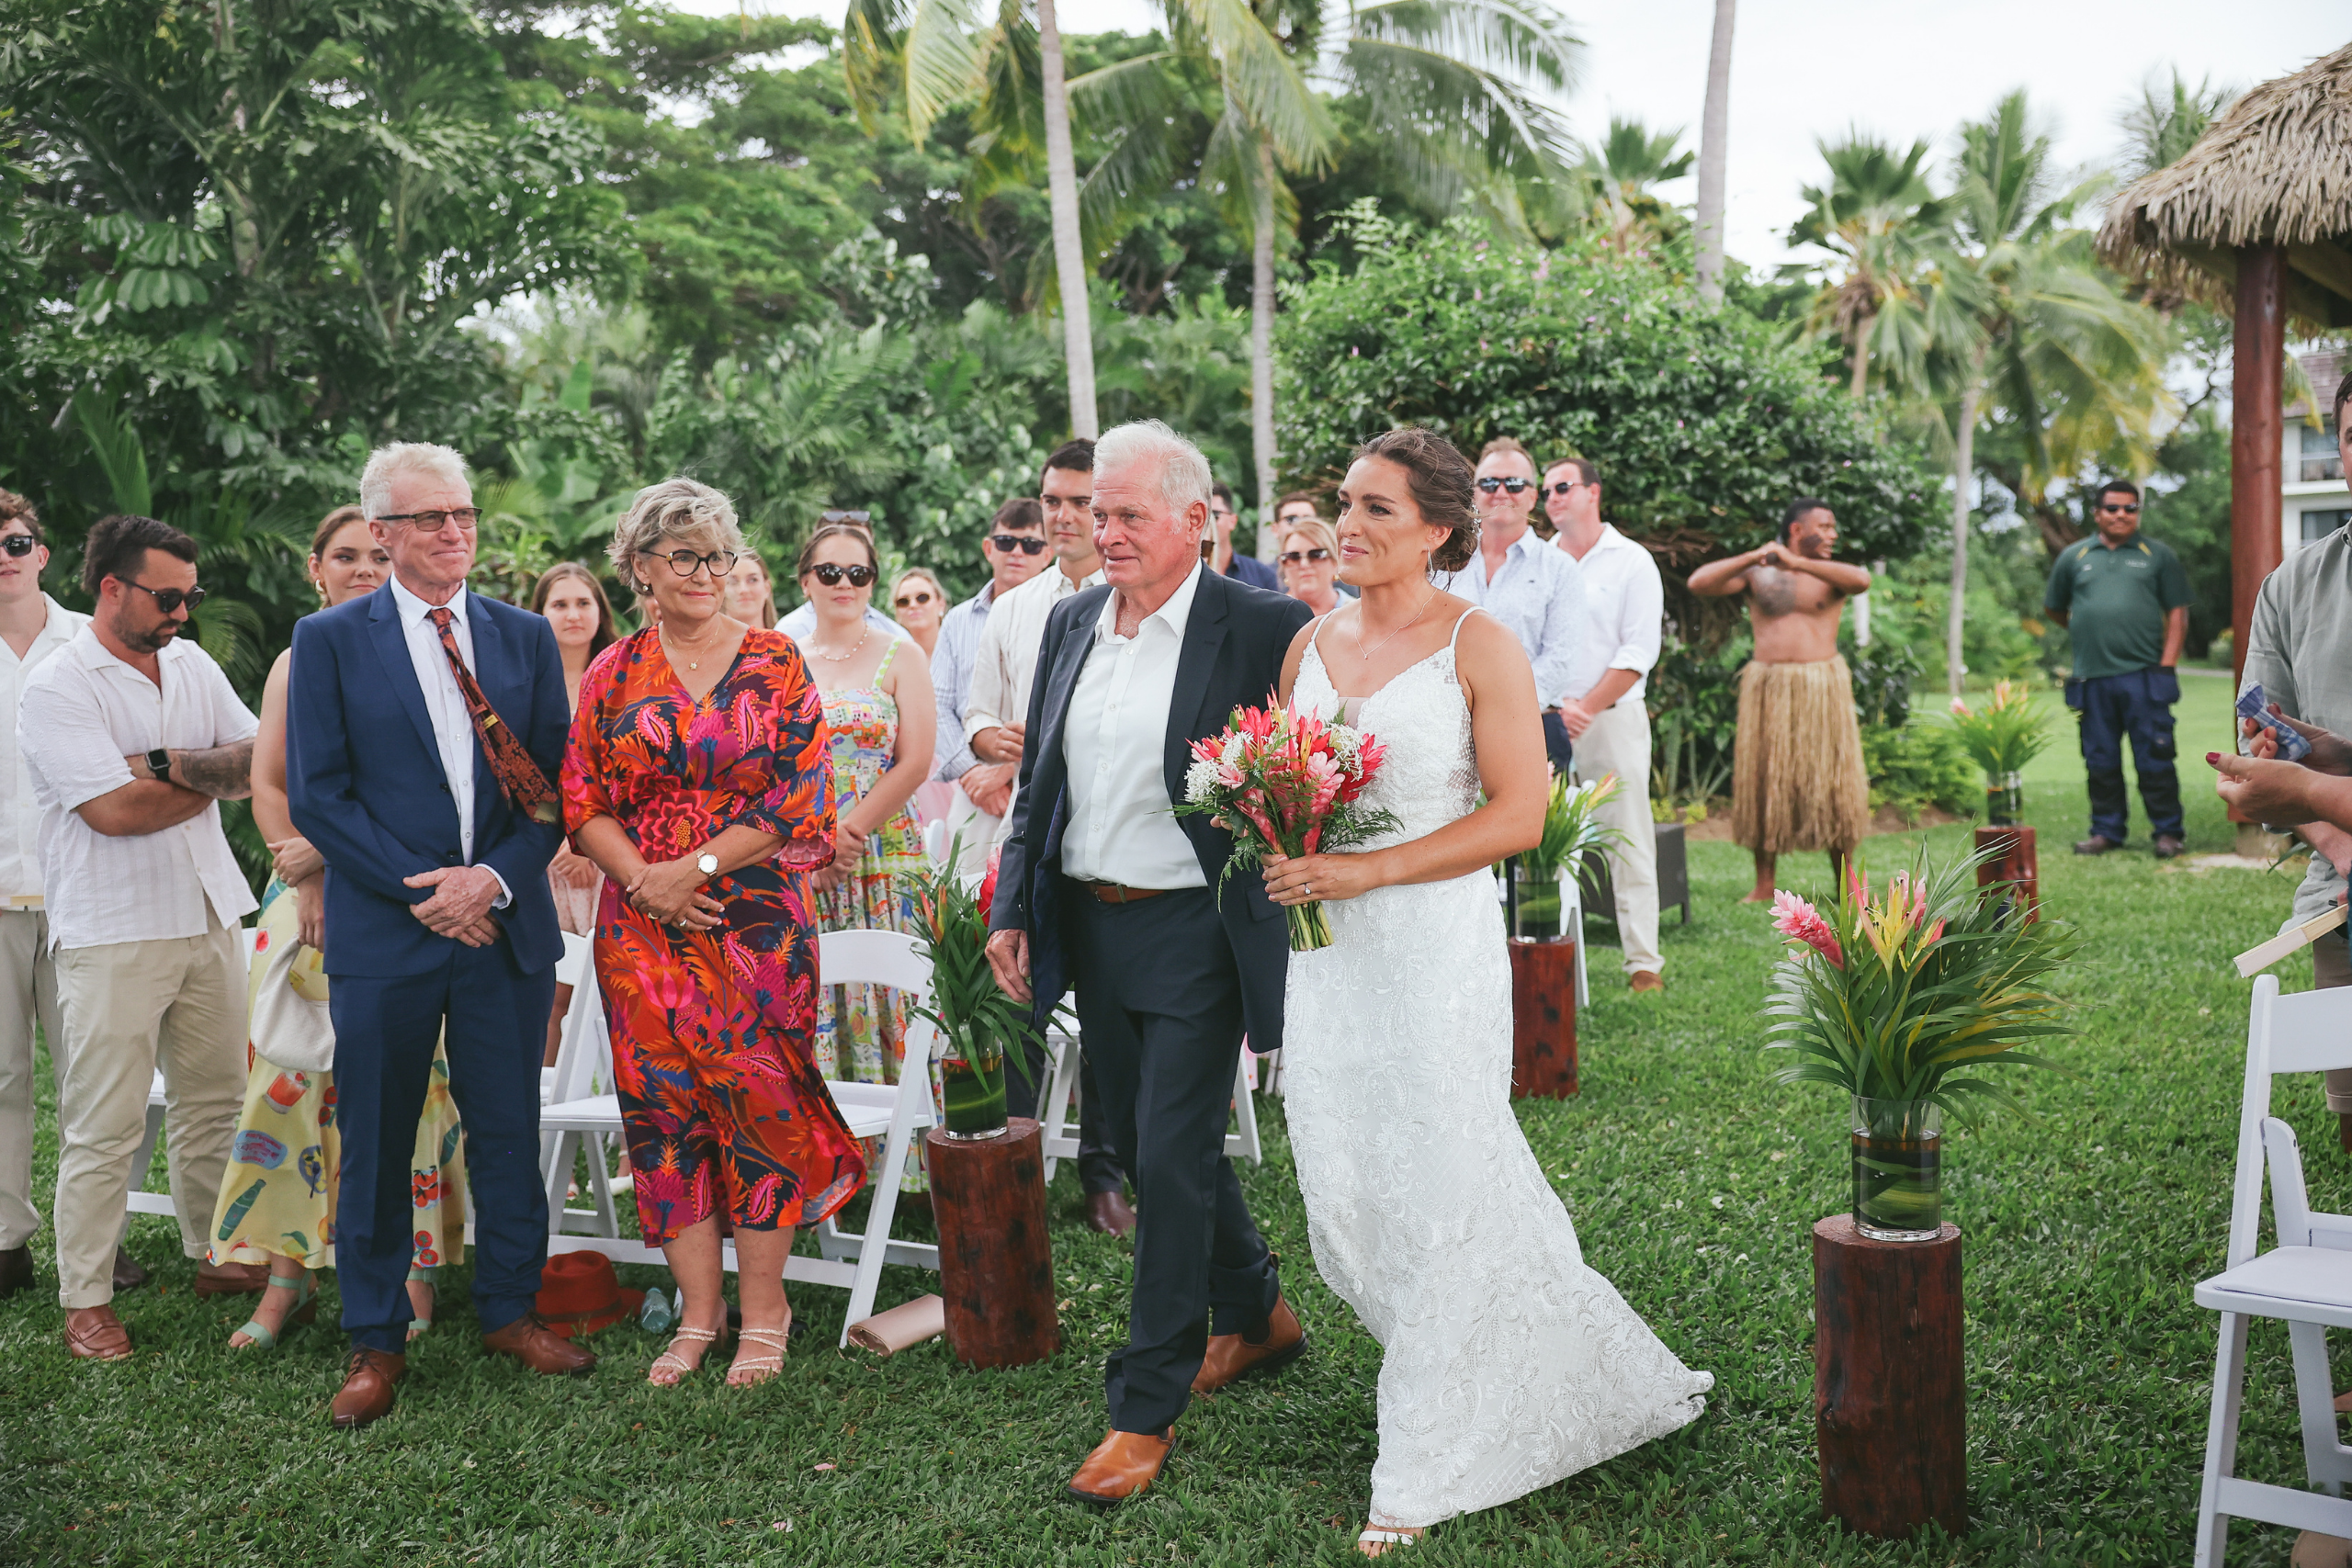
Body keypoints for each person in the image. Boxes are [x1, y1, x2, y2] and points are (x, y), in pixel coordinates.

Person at [1261, 426, 1711, 1554]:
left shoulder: (1481, 643)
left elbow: (1516, 814)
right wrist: (1277, 838)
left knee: (1444, 1167)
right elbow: (1288, 781)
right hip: (1328, 957)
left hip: (1431, 950)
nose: (1347, 528)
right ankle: (1516, 1355)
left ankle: (1422, 1455)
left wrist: (1367, 868)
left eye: (1376, 511)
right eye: (1344, 506)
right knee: (1348, 1180)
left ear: (1440, 531)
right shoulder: (1306, 644)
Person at [986, 420, 1311, 1506]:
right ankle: (1258, 1311)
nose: (1099, 532)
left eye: (1124, 514)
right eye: (1090, 512)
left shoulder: (1264, 626)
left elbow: (1312, 776)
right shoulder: (1074, 617)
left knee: (1167, 1159)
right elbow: (1040, 785)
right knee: (1141, 1138)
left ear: (1194, 520)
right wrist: (1013, 904)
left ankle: (1141, 1408)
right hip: (1090, 919)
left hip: (1201, 929)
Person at [287, 442, 589, 1429]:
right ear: (381, 532)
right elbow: (318, 797)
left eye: (461, 515)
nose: (453, 532)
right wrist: (423, 891)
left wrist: (491, 881)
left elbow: (552, 786)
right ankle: (374, 1336)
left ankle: (510, 1309)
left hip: (502, 928)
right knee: (373, 1139)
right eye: (428, 519)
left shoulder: (522, 636)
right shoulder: (329, 641)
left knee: (508, 1130)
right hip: (390, 930)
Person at [563, 479, 864, 1388]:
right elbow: (581, 800)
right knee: (662, 1115)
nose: (708, 573)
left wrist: (687, 874)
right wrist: (642, 884)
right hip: (638, 933)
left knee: (760, 1105)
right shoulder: (612, 671)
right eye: (686, 556)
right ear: (641, 569)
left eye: (719, 556)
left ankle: (765, 1311)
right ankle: (700, 1314)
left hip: (753, 922)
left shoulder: (774, 661)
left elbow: (797, 795)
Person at [208, 506, 469, 1350]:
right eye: (344, 555)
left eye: (374, 550)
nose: (363, 566)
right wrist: (314, 873)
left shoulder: (440, 641)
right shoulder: (301, 656)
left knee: (414, 1090)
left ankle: (413, 1269)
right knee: (292, 1088)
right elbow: (271, 784)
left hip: (411, 900)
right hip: (315, 898)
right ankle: (287, 1277)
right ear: (314, 569)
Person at [19, 513, 265, 1359]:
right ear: (111, 587)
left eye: (190, 597)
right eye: (167, 597)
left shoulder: (190, 662)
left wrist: (160, 761)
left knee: (216, 1104)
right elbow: (113, 815)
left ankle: (217, 1254)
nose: (184, 614)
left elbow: (257, 759)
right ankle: (85, 1298)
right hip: (112, 926)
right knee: (104, 1125)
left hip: (207, 913)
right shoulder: (56, 684)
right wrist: (205, 768)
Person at [963, 441, 1133, 1236]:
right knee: (1017, 1000)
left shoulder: (1130, 594)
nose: (1063, 516)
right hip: (1019, 829)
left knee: (1102, 1008)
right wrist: (995, 742)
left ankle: (1104, 1177)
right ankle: (1019, 1163)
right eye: (1052, 501)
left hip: (1102, 832)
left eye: (1079, 502)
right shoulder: (1013, 606)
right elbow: (976, 710)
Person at [2210, 366, 2352, 1149]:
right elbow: (2261, 744)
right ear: (2338, 449)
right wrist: (2337, 839)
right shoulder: (2294, 583)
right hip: (2342, 890)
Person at [791, 523, 937, 1190]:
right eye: (830, 572)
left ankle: (903, 1166)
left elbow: (914, 761)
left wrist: (847, 833)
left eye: (859, 573)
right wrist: (813, 839)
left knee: (890, 996)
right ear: (805, 579)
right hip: (799, 852)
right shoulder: (779, 655)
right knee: (817, 992)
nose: (845, 585)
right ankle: (827, 1161)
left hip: (885, 853)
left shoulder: (899, 653)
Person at [0, 491, 96, 1303]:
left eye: (16, 540)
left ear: (43, 553)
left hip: (81, 894)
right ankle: (4, 1241)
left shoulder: (91, 644)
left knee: (90, 1078)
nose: (4, 554)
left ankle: (93, 1247)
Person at [1688, 499, 1873, 905]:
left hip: (1822, 688)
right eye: (1823, 527)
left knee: (1833, 785)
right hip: (1768, 688)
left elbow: (1861, 580)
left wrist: (1798, 563)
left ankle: (1847, 884)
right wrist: (1756, 556)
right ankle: (1764, 884)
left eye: (1832, 527)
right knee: (1764, 780)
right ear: (1795, 530)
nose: (1832, 534)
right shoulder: (1759, 573)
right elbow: (1699, 584)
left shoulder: (1831, 574)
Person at [1547, 455, 1668, 993]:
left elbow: (1640, 650)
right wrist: (1553, 708)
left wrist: (1586, 707)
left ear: (1593, 492)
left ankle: (1643, 963)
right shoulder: (1539, 562)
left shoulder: (1632, 561)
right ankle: (1542, 951)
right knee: (1542, 842)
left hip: (1612, 721)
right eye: (1546, 490)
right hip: (1544, 721)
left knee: (1629, 839)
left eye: (1563, 487)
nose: (1552, 497)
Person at [2044, 479, 2192, 860]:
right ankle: (2106, 832)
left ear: (2138, 513)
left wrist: (2167, 664)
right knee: (2100, 760)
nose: (2121, 515)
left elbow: (2177, 612)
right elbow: (2054, 608)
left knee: (2155, 757)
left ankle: (2168, 833)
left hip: (2145, 676)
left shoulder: (2157, 555)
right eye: (2113, 508)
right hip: (2090, 678)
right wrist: (2086, 628)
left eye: (2130, 508)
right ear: (2097, 514)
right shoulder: (2074, 557)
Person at [1428, 437, 1585, 775]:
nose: (1501, 492)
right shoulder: (1438, 564)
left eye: (1514, 484)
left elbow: (1560, 660)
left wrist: (1499, 709)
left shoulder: (1560, 569)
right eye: (1488, 482)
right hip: (1441, 728)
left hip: (1532, 727)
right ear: (1474, 493)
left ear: (1532, 496)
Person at [529, 561, 618, 1062]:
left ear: (600, 611)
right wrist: (561, 842)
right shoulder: (522, 684)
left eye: (583, 602)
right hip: (548, 861)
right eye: (559, 604)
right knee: (553, 999)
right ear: (540, 614)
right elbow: (522, 778)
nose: (572, 614)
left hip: (614, 860)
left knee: (622, 998)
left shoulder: (624, 678)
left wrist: (593, 846)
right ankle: (547, 1127)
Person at [932, 500, 1051, 871]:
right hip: (973, 788)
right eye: (1005, 542)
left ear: (1047, 554)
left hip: (1040, 784)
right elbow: (938, 706)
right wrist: (973, 775)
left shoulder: (1064, 611)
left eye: (1030, 545)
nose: (1017, 552)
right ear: (988, 548)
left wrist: (1008, 769)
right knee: (963, 910)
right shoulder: (957, 620)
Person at [1207, 481, 1281, 591]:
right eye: (1202, 515)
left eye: (1215, 515)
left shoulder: (1261, 575)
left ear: (1233, 521)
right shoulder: (1185, 574)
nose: (1208, 522)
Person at [1277, 517, 1343, 617]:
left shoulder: (1361, 614)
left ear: (1335, 561)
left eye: (1316, 555)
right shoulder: (1272, 616)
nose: (1304, 564)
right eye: (1293, 557)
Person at [890, 568, 948, 660]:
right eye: (903, 601)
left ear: (941, 604)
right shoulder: (890, 658)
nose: (913, 605)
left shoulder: (959, 649)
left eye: (922, 598)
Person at [721, 551, 778, 632]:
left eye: (753, 580)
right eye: (732, 581)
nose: (743, 590)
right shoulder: (706, 643)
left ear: (767, 588)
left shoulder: (786, 640)